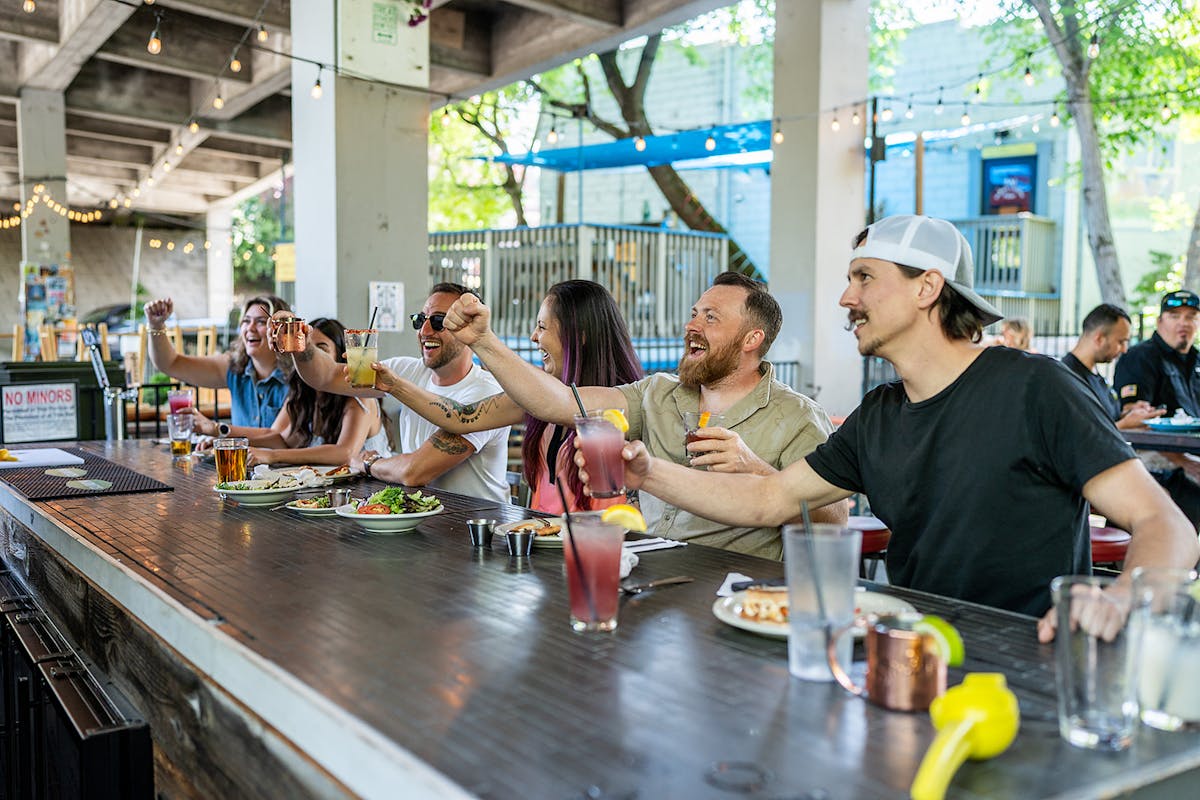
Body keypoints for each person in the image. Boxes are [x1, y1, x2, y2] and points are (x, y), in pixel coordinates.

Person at [579, 215, 1198, 637]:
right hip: (911, 644)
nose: (846, 298)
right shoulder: (880, 413)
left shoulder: (1036, 388)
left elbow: (1163, 523)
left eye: (864, 278)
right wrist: (647, 471)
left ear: (928, 287)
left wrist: (1123, 598)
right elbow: (770, 497)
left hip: (1027, 649)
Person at [440, 271, 848, 559]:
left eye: (711, 317)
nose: (692, 325)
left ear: (752, 339)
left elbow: (833, 523)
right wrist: (484, 342)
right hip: (647, 577)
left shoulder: (796, 416)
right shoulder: (657, 393)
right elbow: (561, 403)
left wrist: (755, 469)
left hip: (732, 591)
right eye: (694, 313)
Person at [370, 280, 644, 513]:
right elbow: (458, 416)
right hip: (540, 548)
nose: (533, 337)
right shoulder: (538, 395)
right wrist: (395, 385)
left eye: (542, 327)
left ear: (578, 336)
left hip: (601, 552)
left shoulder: (623, 403)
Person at [284, 283, 511, 503]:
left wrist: (369, 463)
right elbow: (326, 377)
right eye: (420, 320)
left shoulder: (485, 391)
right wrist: (300, 345)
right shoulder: (409, 370)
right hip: (424, 519)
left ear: (470, 330)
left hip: (478, 528)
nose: (424, 331)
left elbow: (414, 472)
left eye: (439, 321)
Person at [186, 318, 390, 467]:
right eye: (309, 350)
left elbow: (344, 453)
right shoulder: (305, 393)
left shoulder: (359, 393)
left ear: (341, 356)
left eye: (322, 349)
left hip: (373, 492)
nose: (312, 358)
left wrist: (272, 456)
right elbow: (278, 437)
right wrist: (227, 441)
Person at [144, 295, 291, 428]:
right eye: (246, 321)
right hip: (240, 458)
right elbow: (170, 364)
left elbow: (276, 437)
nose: (250, 328)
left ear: (281, 330)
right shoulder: (234, 366)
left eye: (261, 322)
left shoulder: (298, 375)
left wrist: (215, 430)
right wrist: (156, 326)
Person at [1063, 304, 1163, 430]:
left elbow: (1105, 419)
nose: (1125, 350)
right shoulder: (1067, 378)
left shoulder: (1096, 377)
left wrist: (1130, 413)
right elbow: (1079, 434)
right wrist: (1123, 425)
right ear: (1099, 339)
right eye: (1121, 342)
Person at [1114, 289, 1200, 417]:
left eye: (1191, 316)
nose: (1183, 323)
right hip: (1161, 437)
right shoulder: (1139, 357)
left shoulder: (1197, 359)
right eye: (1174, 316)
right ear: (1159, 322)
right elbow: (1131, 415)